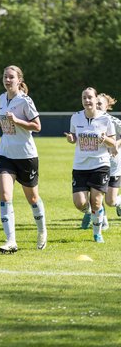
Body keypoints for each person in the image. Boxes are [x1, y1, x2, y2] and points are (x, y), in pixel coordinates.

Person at [0, 65, 47, 253]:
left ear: (19, 80)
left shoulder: (25, 101)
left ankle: (42, 231)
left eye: (11, 77)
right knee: (5, 195)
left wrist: (17, 121)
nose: (7, 80)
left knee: (33, 198)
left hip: (26, 156)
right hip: (6, 154)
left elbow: (37, 126)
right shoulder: (1, 98)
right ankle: (11, 240)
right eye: (5, 76)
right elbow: (7, 125)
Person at [64, 87, 116, 243]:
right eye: (84, 98)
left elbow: (113, 143)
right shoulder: (75, 117)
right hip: (80, 165)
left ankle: (97, 233)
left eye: (90, 98)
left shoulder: (106, 119)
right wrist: (71, 139)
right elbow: (73, 136)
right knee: (79, 203)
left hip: (100, 164)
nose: (87, 101)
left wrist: (104, 138)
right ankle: (90, 213)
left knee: (97, 201)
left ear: (95, 99)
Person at [81, 93, 121, 229]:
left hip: (114, 165)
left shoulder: (113, 121)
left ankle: (119, 202)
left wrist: (116, 144)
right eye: (95, 103)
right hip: (98, 164)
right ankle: (102, 221)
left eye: (100, 104)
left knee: (111, 201)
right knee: (96, 193)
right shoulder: (90, 120)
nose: (96, 106)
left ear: (107, 106)